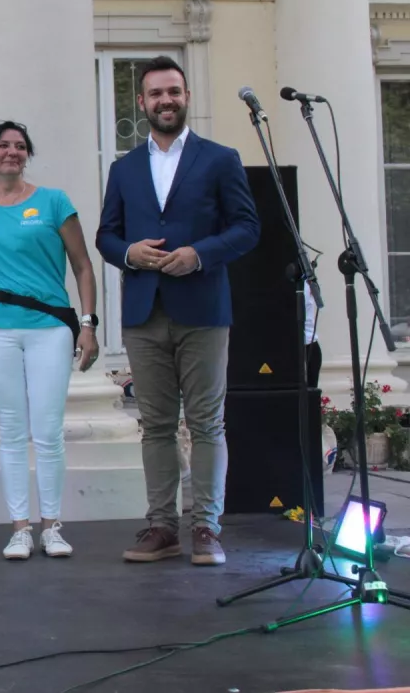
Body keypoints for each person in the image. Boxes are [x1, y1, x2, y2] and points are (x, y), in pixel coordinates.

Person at [96, 55, 259, 567]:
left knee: (208, 423)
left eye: (174, 91)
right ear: (141, 103)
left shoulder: (220, 158)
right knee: (157, 424)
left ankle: (207, 528)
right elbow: (106, 234)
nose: (166, 100)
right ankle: (162, 526)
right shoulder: (124, 168)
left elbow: (247, 227)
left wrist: (200, 254)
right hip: (145, 310)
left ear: (186, 97)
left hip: (204, 306)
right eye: (156, 94)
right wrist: (128, 253)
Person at [0, 120, 99, 561]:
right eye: (3, 146)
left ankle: (51, 525)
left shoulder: (54, 202)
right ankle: (20, 526)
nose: (12, 153)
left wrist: (89, 324)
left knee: (48, 429)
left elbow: (82, 265)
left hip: (50, 328)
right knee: (12, 429)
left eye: (20, 147)